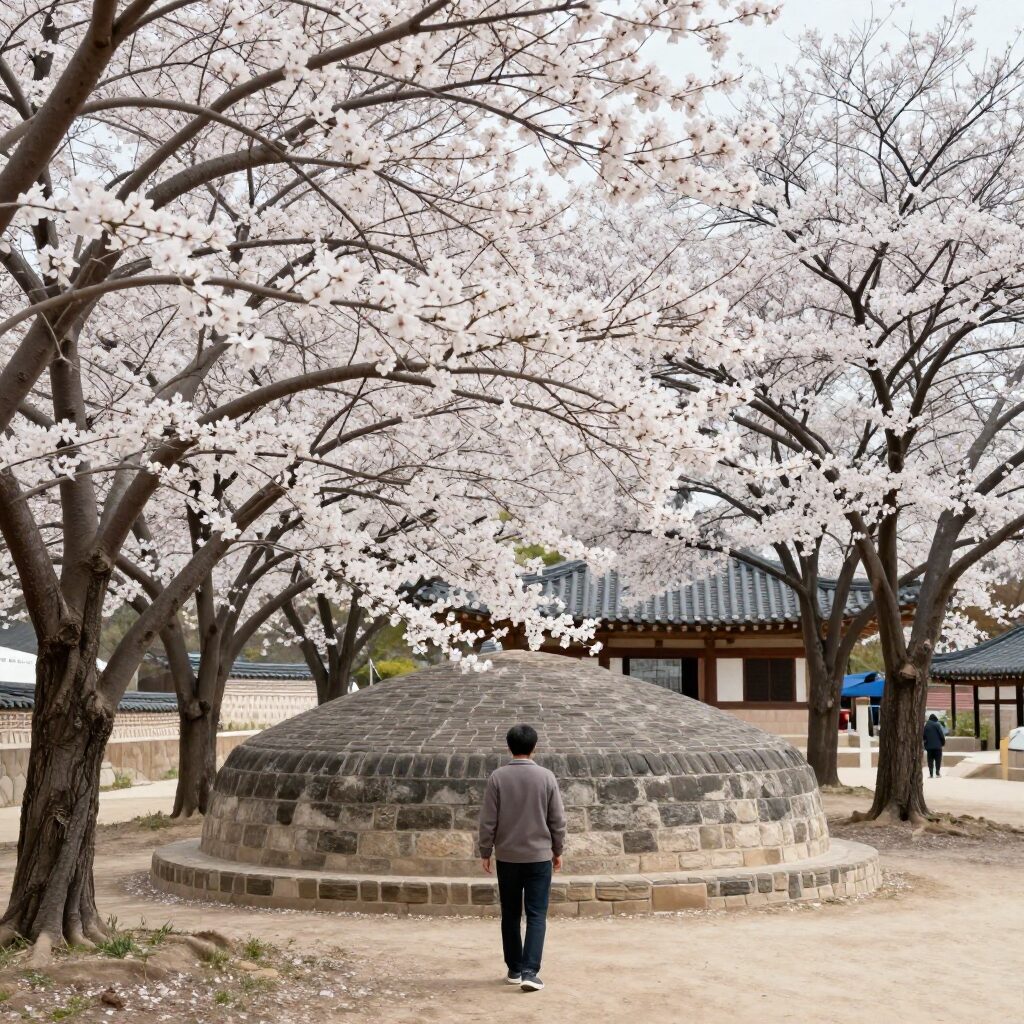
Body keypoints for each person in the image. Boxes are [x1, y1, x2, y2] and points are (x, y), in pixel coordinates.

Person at [478, 724, 566, 993]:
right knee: (537, 915)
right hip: (539, 857)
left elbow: (488, 820)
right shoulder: (546, 777)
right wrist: (558, 850)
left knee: (511, 914)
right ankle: (530, 971)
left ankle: (514, 969)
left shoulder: (497, 777)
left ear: (509, 747)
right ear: (534, 747)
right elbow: (557, 820)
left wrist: (485, 851)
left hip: (507, 857)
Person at [923, 713, 946, 778]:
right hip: (937, 747)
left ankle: (931, 774)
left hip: (929, 747)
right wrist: (943, 743)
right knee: (938, 760)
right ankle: (937, 773)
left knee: (930, 760)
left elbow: (924, 736)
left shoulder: (926, 725)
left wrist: (926, 744)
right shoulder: (937, 725)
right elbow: (941, 735)